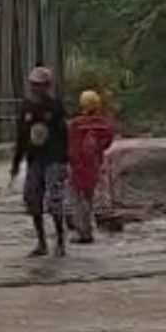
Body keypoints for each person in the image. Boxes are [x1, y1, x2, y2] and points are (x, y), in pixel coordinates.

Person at [11, 66, 70, 258]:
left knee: (54, 201)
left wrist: (67, 159)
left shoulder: (55, 107)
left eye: (40, 85)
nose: (36, 89)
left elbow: (64, 134)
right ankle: (41, 243)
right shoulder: (25, 108)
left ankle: (60, 241)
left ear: (48, 86)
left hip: (53, 159)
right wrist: (16, 163)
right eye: (34, 85)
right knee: (32, 199)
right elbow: (21, 136)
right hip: (35, 160)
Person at [67, 90, 116, 245]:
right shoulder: (104, 125)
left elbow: (68, 145)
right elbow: (107, 143)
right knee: (88, 197)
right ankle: (87, 229)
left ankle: (84, 232)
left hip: (77, 166)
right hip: (94, 165)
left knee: (76, 199)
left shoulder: (75, 124)